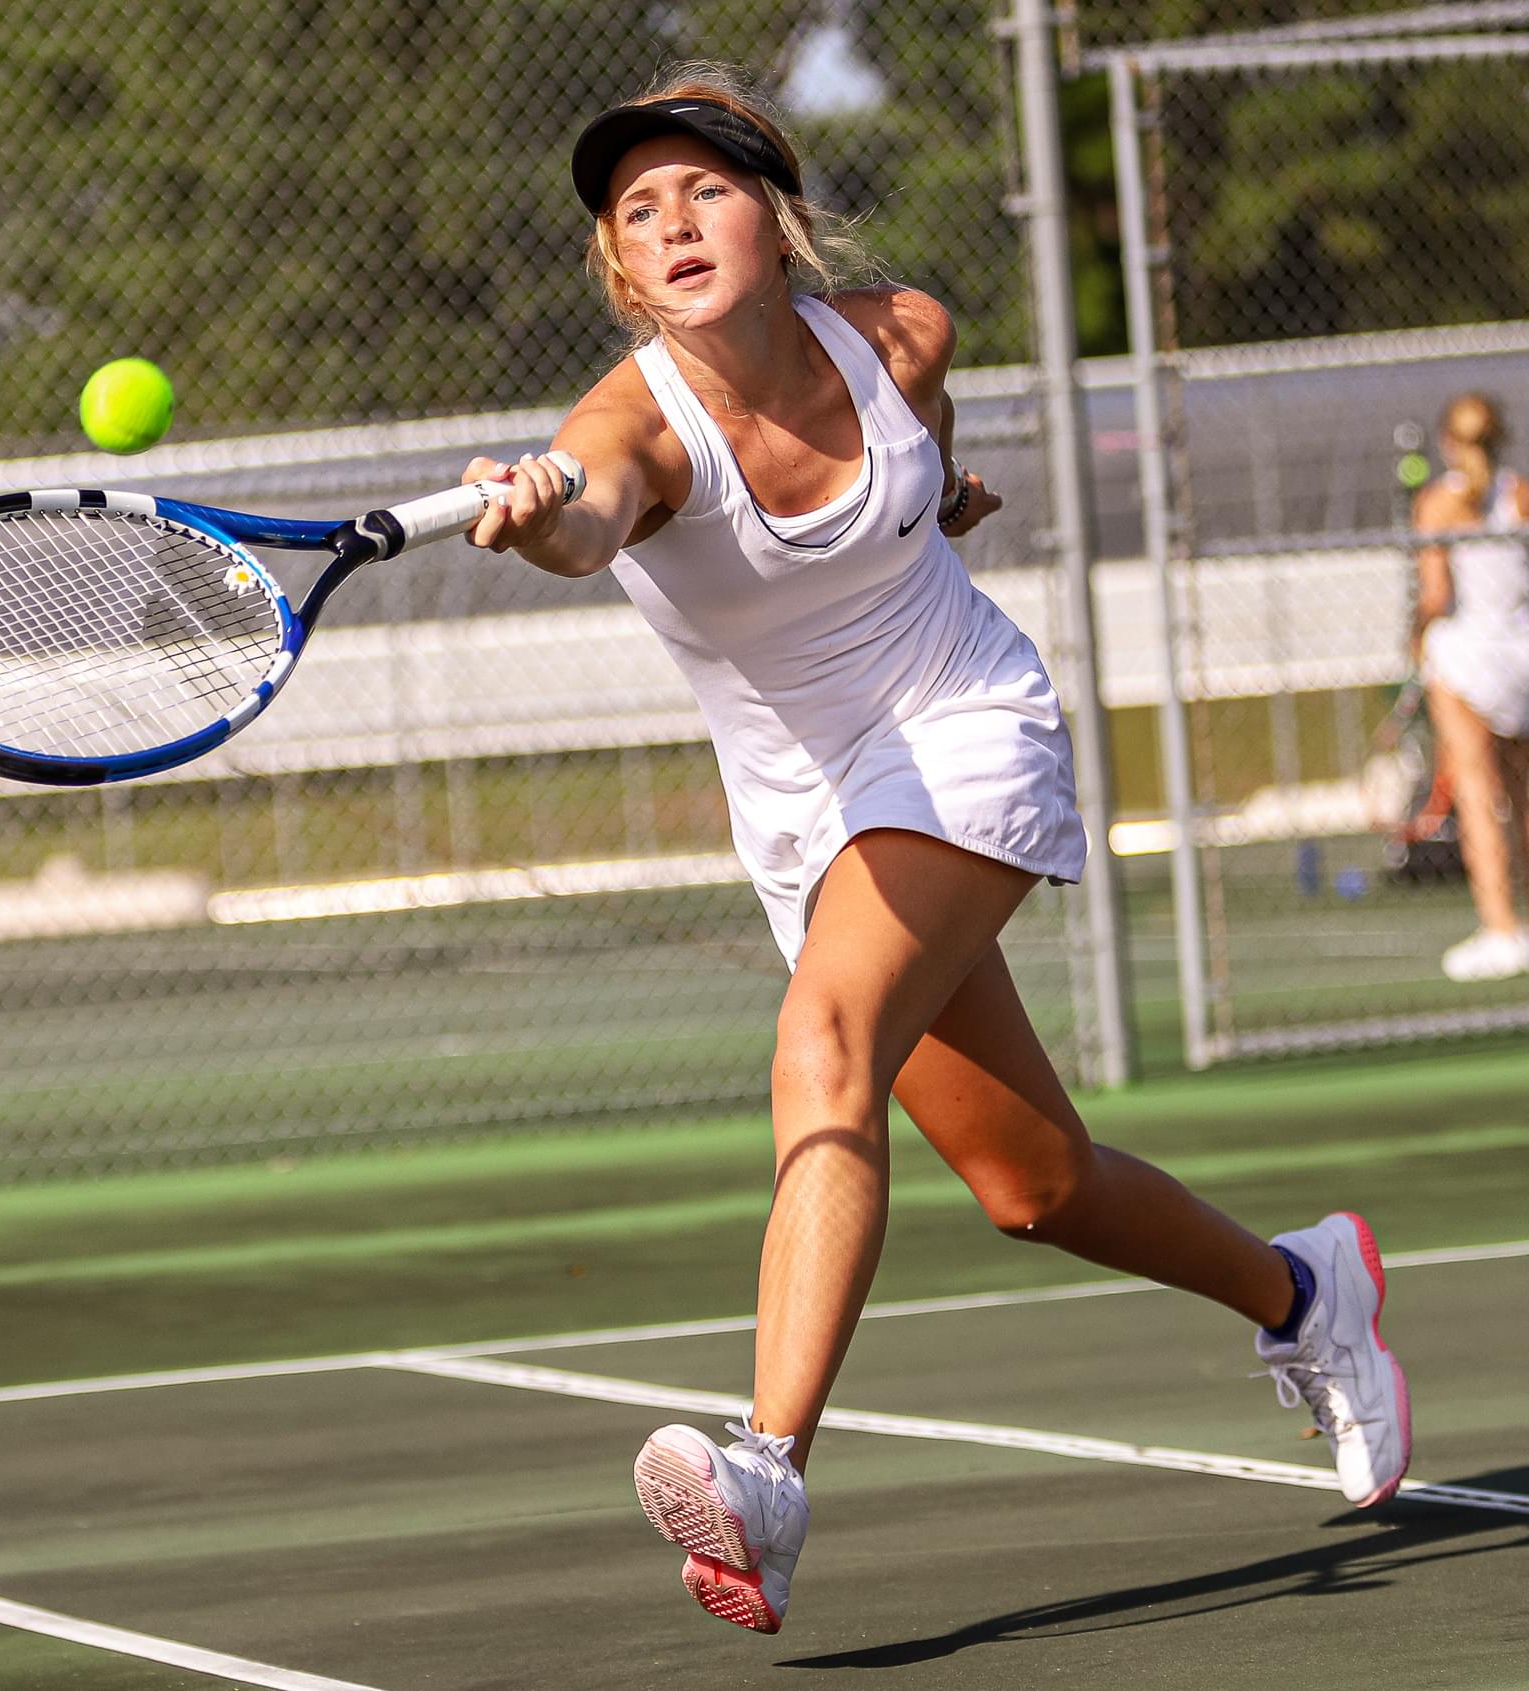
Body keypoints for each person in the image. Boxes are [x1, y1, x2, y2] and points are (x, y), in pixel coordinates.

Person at [460, 64, 1409, 1635]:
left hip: (963, 721)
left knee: (823, 1036)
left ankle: (766, 1467)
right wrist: (541, 510)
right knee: (1033, 1182)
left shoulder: (903, 332)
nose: (677, 220)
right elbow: (596, 512)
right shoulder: (629, 427)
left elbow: (923, 446)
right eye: (642, 211)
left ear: (776, 217)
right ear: (624, 272)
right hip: (806, 808)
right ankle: (1308, 1292)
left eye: (707, 187)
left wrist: (938, 500)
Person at [1413, 393, 1529, 983]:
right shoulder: (1525, 495)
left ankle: (1500, 929)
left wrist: (1414, 639)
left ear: (1449, 441)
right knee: (1525, 797)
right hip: (1524, 656)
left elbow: (1435, 597)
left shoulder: (1437, 504)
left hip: (1468, 657)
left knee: (1478, 796)